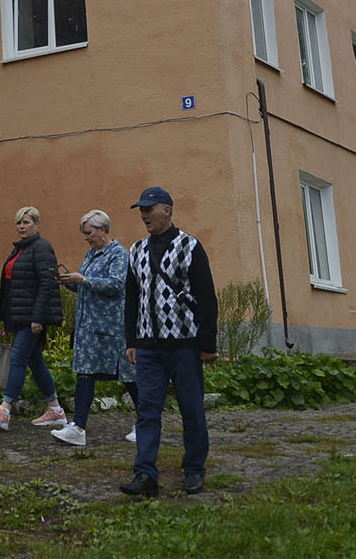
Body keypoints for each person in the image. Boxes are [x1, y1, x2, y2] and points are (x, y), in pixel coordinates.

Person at [120, 186, 217, 497]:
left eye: (150, 208)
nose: (144, 214)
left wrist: (207, 345)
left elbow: (206, 297)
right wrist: (131, 340)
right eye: (141, 210)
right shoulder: (136, 250)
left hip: (185, 345)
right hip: (148, 347)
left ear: (168, 210)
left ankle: (194, 470)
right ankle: (145, 475)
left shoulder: (189, 246)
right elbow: (131, 299)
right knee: (147, 411)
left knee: (191, 410)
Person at [51, 209, 138, 447]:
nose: (86, 238)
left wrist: (83, 280)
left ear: (103, 230)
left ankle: (147, 422)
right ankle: (78, 427)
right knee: (85, 374)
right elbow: (86, 286)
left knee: (128, 376)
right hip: (89, 330)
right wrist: (69, 282)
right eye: (84, 234)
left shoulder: (119, 254)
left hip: (111, 329)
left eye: (89, 233)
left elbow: (117, 285)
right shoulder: (91, 255)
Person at [0, 206, 67, 430]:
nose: (21, 226)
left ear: (36, 224)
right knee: (35, 362)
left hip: (32, 318)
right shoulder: (19, 250)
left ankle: (5, 409)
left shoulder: (42, 248)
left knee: (18, 359)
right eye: (19, 223)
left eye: (26, 222)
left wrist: (37, 318)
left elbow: (47, 284)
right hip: (20, 317)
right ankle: (56, 410)